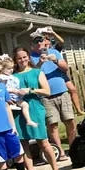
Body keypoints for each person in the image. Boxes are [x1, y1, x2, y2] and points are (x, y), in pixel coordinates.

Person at [12, 47, 63, 170]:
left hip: (35, 108)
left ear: (28, 57)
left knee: (43, 142)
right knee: (24, 144)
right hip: (18, 111)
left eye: (24, 57)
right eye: (19, 58)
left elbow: (47, 91)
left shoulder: (37, 72)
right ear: (15, 60)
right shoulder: (12, 76)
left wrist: (30, 90)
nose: (22, 60)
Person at [29, 32, 76, 160]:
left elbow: (65, 68)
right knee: (52, 124)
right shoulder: (30, 58)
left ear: (44, 41)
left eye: (40, 40)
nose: (39, 43)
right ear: (31, 45)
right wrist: (39, 63)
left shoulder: (54, 52)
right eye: (35, 41)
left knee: (70, 121)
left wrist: (54, 60)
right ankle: (60, 152)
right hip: (45, 96)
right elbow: (32, 76)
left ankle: (73, 149)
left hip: (62, 91)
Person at [34, 27, 85, 115]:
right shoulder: (39, 50)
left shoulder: (54, 50)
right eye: (46, 39)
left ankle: (78, 110)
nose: (48, 41)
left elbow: (61, 42)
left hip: (59, 72)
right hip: (50, 76)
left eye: (49, 40)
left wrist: (53, 33)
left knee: (72, 89)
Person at [0, 58, 38, 128]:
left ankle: (28, 120)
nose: (11, 70)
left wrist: (19, 91)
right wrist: (13, 90)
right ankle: (13, 128)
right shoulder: (2, 77)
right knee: (9, 113)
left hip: (16, 97)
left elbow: (16, 87)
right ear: (2, 69)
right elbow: (2, 89)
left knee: (25, 104)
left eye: (12, 68)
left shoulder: (12, 77)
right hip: (7, 98)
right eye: (8, 68)